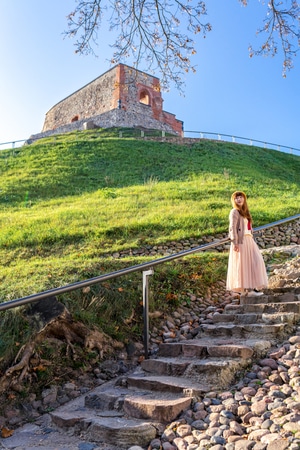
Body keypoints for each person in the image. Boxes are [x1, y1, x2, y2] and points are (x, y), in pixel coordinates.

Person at [226, 191, 268, 296]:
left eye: (240, 197)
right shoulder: (234, 212)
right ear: (233, 200)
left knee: (256, 261)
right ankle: (247, 290)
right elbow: (232, 228)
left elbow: (247, 226)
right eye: (236, 198)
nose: (239, 199)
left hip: (249, 240)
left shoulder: (245, 212)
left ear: (244, 199)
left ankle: (251, 288)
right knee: (243, 265)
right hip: (241, 241)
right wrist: (235, 242)